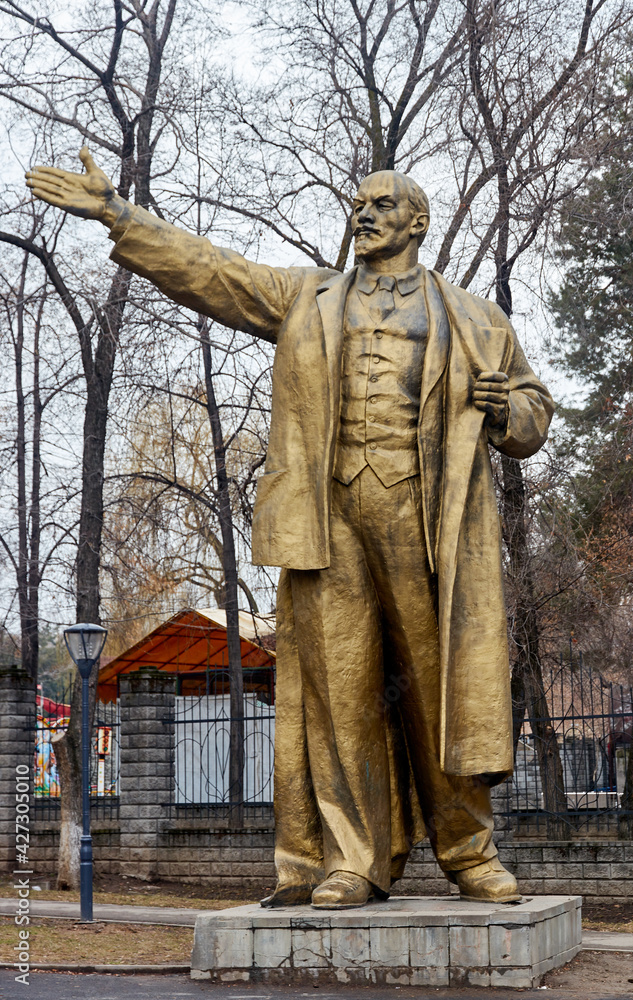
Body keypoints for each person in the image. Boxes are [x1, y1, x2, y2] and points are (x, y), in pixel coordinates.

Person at [27, 149, 553, 909]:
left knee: (437, 694)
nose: (362, 213)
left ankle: (468, 851)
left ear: (417, 222)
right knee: (342, 697)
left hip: (426, 522)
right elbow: (212, 270)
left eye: (380, 204)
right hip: (328, 519)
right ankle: (354, 859)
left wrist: (511, 409)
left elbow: (532, 413)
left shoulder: (473, 317)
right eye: (358, 202)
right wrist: (118, 213)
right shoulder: (308, 299)